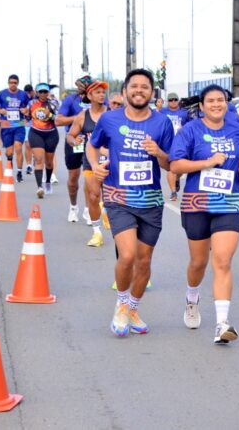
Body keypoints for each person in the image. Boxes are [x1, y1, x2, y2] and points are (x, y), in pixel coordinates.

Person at [88, 69, 173, 337]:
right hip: (118, 197)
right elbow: (93, 145)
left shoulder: (162, 123)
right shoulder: (110, 119)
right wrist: (95, 167)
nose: (139, 90)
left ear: (151, 92)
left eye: (144, 87)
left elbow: (171, 163)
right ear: (125, 91)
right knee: (127, 255)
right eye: (134, 86)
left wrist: (158, 152)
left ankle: (134, 308)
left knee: (145, 261)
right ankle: (122, 303)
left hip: (150, 200)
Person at [169, 84, 239, 344]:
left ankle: (221, 323)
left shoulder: (236, 127)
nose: (216, 104)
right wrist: (208, 162)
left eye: (220, 100)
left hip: (228, 202)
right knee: (198, 262)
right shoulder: (190, 130)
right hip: (197, 203)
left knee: (223, 260)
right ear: (201, 106)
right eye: (210, 101)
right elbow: (176, 165)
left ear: (227, 103)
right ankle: (192, 299)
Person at [67, 80, 110, 247]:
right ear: (90, 95)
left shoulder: (112, 113)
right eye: (97, 92)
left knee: (111, 196)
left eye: (103, 92)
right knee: (93, 195)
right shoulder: (82, 116)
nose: (101, 95)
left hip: (110, 161)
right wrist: (74, 140)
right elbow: (70, 136)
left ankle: (106, 210)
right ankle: (97, 232)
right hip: (91, 161)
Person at [57, 75, 93, 222]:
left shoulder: (97, 99)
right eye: (78, 85)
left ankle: (88, 210)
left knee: (90, 178)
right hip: (74, 140)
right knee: (73, 177)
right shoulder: (71, 100)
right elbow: (58, 120)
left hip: (92, 142)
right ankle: (73, 207)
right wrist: (79, 118)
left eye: (83, 86)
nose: (80, 88)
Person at [0, 74, 31, 183]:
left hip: (19, 125)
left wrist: (25, 110)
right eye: (11, 82)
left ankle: (19, 172)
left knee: (18, 147)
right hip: (6, 126)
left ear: (18, 83)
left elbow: (29, 106)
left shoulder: (23, 94)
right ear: (8, 83)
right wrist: (0, 111)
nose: (13, 84)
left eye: (15, 83)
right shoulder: (2, 93)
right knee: (9, 152)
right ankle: (10, 164)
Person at [27, 83, 60, 199]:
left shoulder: (53, 103)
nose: (42, 94)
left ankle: (47, 183)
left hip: (51, 134)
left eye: (45, 92)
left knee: (49, 162)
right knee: (39, 159)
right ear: (37, 92)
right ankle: (39, 187)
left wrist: (50, 114)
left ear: (48, 93)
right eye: (40, 92)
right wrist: (24, 114)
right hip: (36, 133)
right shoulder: (31, 103)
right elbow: (27, 116)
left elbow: (58, 119)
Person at [159, 91, 189, 202]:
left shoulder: (184, 113)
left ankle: (176, 179)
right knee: (171, 168)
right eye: (171, 100)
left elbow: (191, 126)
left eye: (175, 100)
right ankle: (173, 192)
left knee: (180, 168)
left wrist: (184, 129)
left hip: (181, 143)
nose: (173, 102)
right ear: (167, 101)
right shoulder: (162, 112)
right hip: (167, 143)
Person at [24, 84, 36, 176]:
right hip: (27, 124)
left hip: (39, 125)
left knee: (36, 145)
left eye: (30, 92)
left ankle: (36, 160)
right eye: (26, 93)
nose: (28, 94)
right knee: (27, 144)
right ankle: (29, 165)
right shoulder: (23, 98)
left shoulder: (38, 97)